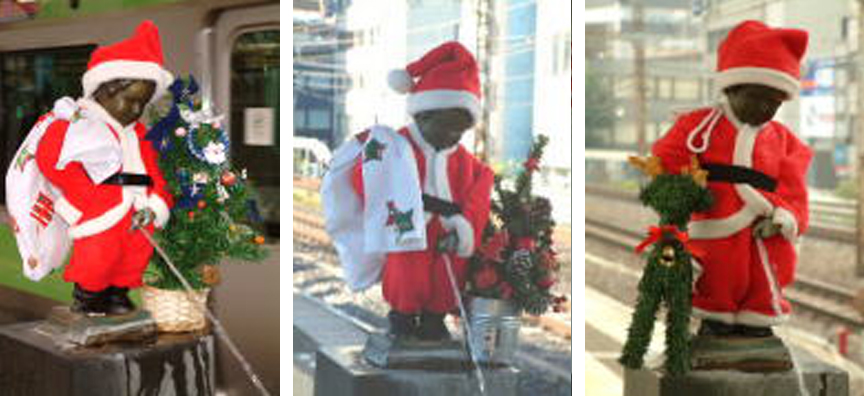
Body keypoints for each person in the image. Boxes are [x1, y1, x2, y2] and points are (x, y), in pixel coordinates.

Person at [324, 41, 494, 340]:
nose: (452, 136)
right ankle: (402, 317)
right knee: (407, 273)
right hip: (404, 229)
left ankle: (434, 317)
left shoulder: (468, 163)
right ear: (422, 115)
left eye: (459, 130)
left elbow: (479, 194)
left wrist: (465, 224)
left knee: (447, 276)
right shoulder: (391, 147)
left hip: (448, 233)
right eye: (445, 127)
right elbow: (366, 177)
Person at [651, 20, 811, 337]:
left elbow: (794, 190)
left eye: (774, 103)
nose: (765, 108)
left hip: (761, 224)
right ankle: (716, 320)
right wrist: (683, 193)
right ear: (732, 88)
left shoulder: (784, 140)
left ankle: (757, 322)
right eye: (756, 97)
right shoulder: (697, 127)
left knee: (764, 275)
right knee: (718, 273)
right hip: (712, 219)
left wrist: (785, 217)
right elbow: (666, 159)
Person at [34, 20, 174, 316]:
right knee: (98, 255)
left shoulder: (137, 135)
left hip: (136, 208)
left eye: (142, 104)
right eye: (131, 101)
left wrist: (155, 204)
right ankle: (88, 297)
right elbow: (52, 160)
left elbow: (155, 173)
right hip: (98, 208)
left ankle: (117, 293)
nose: (136, 111)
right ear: (107, 90)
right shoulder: (79, 126)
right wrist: (88, 197)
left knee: (134, 254)